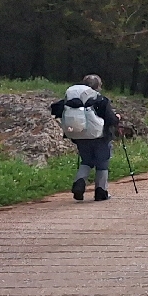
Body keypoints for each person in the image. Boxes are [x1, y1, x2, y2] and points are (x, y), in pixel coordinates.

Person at [50, 74, 122, 202]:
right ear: (97, 86)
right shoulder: (100, 99)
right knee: (102, 162)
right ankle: (101, 192)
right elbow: (111, 119)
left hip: (78, 135)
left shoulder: (71, 99)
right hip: (99, 136)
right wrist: (117, 118)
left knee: (87, 161)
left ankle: (79, 182)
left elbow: (55, 110)